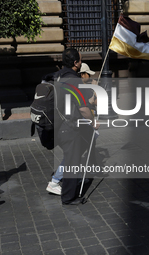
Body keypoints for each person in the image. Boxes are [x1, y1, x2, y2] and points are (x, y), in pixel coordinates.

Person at [54, 48, 96, 205]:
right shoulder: (74, 80)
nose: (81, 61)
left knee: (73, 157)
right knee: (72, 161)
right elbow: (83, 108)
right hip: (70, 126)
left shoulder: (58, 76)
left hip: (58, 124)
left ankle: (67, 187)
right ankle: (69, 196)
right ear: (75, 63)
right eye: (80, 59)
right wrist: (93, 122)